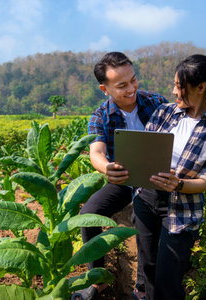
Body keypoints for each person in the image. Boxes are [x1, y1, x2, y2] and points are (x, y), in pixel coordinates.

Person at [132, 54, 206, 300]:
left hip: (181, 208)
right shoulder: (165, 113)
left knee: (168, 279)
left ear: (201, 88)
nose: (174, 91)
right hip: (146, 198)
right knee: (147, 267)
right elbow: (144, 149)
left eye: (180, 87)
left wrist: (178, 184)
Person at [71, 52, 167, 300]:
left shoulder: (157, 103)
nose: (131, 88)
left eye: (133, 80)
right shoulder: (100, 115)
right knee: (88, 215)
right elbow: (96, 152)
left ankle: (142, 289)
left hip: (156, 179)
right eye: (122, 85)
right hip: (124, 179)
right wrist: (107, 168)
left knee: (144, 221)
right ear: (105, 88)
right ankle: (98, 280)